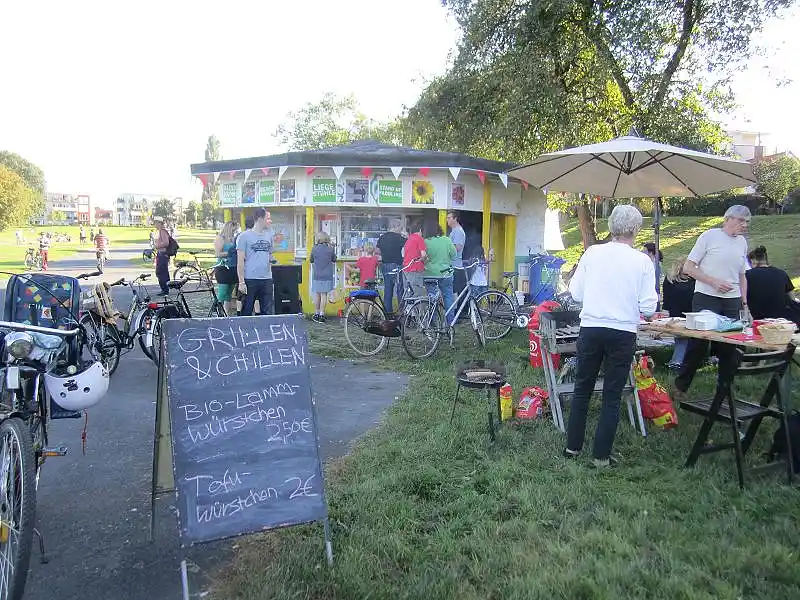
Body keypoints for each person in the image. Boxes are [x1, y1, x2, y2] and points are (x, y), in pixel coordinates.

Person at [564, 205, 658, 467]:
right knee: (612, 394)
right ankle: (601, 456)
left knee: (582, 387)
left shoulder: (593, 253)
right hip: (622, 332)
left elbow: (576, 293)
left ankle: (572, 448)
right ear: (636, 230)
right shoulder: (642, 261)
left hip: (592, 327)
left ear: (611, 226)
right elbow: (649, 307)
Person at [673, 205, 751, 399]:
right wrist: (713, 281)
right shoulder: (709, 236)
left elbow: (742, 276)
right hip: (706, 297)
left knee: (730, 346)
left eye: (747, 222)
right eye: (741, 221)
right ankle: (680, 386)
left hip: (731, 300)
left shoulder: (742, 243)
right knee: (698, 344)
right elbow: (689, 268)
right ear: (728, 219)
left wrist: (745, 303)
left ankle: (723, 392)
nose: (745, 225)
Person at [745, 245, 800, 323]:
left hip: (758, 318)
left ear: (753, 261)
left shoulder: (747, 275)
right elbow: (792, 298)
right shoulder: (781, 273)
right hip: (782, 319)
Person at [236, 207, 274, 316]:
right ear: (260, 219)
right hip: (250, 279)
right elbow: (240, 261)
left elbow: (270, 253)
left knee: (267, 312)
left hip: (266, 278)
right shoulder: (244, 237)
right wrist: (241, 282)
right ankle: (244, 332)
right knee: (246, 310)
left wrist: (270, 260)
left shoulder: (269, 235)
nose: (270, 221)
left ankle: (265, 332)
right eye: (268, 218)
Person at [661, 256, 696, 369]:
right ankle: (677, 362)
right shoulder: (671, 279)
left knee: (687, 339)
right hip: (676, 315)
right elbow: (666, 299)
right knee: (681, 338)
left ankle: (679, 362)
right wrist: (664, 315)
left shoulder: (695, 280)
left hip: (692, 313)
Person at [422, 220, 457, 322]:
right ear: (439, 229)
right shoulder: (447, 240)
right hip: (445, 274)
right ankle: (450, 322)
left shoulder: (425, 241)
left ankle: (433, 323)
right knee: (448, 297)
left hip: (429, 274)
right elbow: (454, 255)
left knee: (431, 299)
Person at [376, 222, 406, 313]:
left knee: (388, 290)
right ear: (395, 227)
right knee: (400, 289)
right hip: (397, 265)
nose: (400, 230)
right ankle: (401, 313)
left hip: (385, 265)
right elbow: (408, 247)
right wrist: (405, 235)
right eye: (400, 228)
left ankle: (387, 314)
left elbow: (377, 251)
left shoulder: (382, 237)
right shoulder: (399, 238)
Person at [309, 232, 336, 323]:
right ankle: (322, 314)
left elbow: (311, 260)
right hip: (327, 275)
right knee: (324, 294)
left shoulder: (314, 248)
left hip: (317, 274)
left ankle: (316, 313)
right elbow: (334, 259)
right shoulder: (330, 249)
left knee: (317, 294)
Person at [214, 221, 239, 316]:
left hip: (233, 268)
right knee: (222, 292)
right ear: (229, 228)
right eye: (234, 229)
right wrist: (230, 253)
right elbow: (217, 254)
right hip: (223, 268)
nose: (235, 231)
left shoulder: (234, 239)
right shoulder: (220, 238)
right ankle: (218, 312)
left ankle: (226, 314)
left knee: (229, 294)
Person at [402, 220, 427, 296]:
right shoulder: (419, 238)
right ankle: (419, 308)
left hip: (406, 269)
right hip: (415, 270)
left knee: (410, 294)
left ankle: (408, 308)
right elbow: (424, 255)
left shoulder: (409, 239)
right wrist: (424, 261)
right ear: (420, 230)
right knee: (420, 295)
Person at [446, 211, 467, 296]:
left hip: (455, 266)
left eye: (449, 218)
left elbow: (457, 248)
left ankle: (453, 309)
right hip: (452, 265)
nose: (447, 220)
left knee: (453, 291)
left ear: (455, 219)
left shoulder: (458, 231)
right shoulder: (454, 231)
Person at [152, 217, 171, 296]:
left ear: (160, 223)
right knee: (163, 272)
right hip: (162, 254)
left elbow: (166, 243)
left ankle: (165, 289)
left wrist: (157, 246)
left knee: (160, 272)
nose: (154, 224)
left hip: (162, 254)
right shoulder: (161, 231)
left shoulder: (162, 231)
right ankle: (166, 288)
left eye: (156, 223)